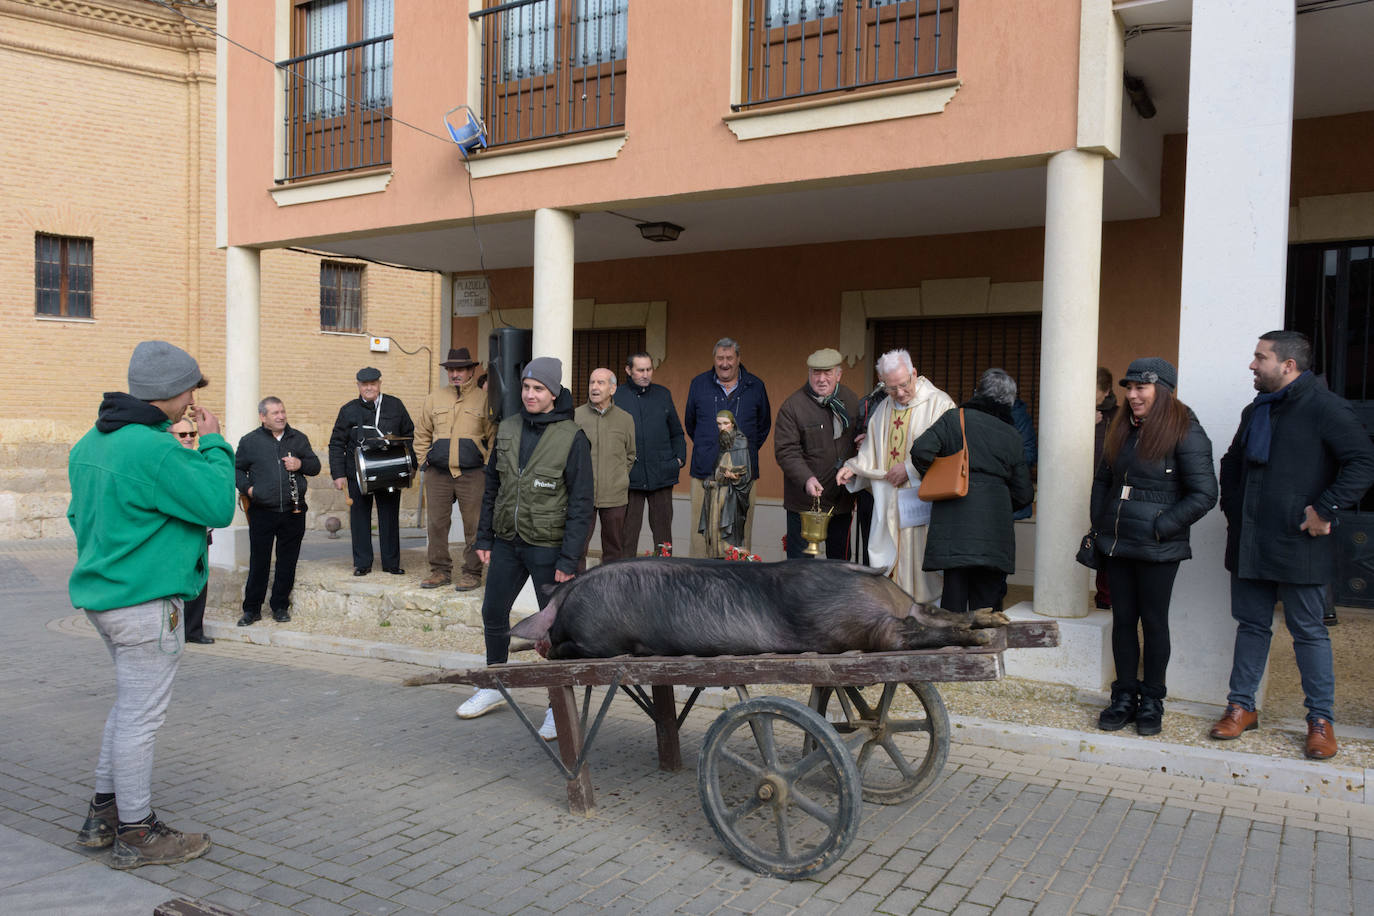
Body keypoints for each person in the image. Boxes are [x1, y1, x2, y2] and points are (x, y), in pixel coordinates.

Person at [68, 340, 235, 868]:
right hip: (145, 602)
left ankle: (102, 814)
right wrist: (214, 442)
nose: (193, 400)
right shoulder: (155, 448)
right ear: (171, 391)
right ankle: (138, 832)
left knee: (128, 709)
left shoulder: (89, 443)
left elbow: (78, 518)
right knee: (141, 719)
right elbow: (218, 505)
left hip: (105, 597)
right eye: (190, 390)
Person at [1210, 331, 1374, 759]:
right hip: (1250, 540)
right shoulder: (1256, 409)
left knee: (1309, 632)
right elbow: (1232, 462)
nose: (1252, 364)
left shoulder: (1326, 407)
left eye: (1259, 357)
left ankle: (1320, 720)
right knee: (1251, 626)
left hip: (1300, 542)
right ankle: (1241, 707)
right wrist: (1233, 508)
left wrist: (1325, 509)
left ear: (1288, 365)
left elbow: (1362, 462)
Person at [458, 357, 594, 742]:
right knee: (493, 611)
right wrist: (484, 537)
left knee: (555, 627)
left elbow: (582, 503)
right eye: (526, 387)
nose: (530, 395)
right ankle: (494, 683)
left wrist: (569, 557)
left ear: (553, 393)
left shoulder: (572, 437)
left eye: (538, 389)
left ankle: (557, 707)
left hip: (549, 546)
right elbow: (492, 487)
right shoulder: (508, 428)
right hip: (507, 541)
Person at [1089, 359, 1217, 736]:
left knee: (1154, 622)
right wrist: (1101, 522)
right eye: (1129, 388)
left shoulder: (1186, 429)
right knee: (1123, 621)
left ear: (1162, 390)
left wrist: (1161, 527)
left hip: (1159, 547)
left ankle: (1152, 700)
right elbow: (1103, 480)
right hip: (1118, 543)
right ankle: (1123, 696)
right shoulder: (1122, 427)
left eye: (1140, 388)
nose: (1132, 395)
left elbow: (1205, 493)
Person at [910, 369, 1034, 616]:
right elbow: (1024, 494)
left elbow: (921, 451)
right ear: (1009, 402)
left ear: (978, 392)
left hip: (953, 529)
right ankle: (983, 642)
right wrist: (998, 500)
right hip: (995, 534)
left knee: (953, 608)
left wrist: (941, 477)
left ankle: (951, 642)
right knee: (986, 611)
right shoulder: (1012, 435)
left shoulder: (954, 419)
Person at [837, 349, 954, 603]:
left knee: (922, 568)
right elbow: (871, 451)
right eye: (891, 388)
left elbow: (950, 453)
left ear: (914, 374)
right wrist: (854, 467)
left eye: (903, 385)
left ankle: (925, 612)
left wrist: (910, 469)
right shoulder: (883, 409)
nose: (899, 393)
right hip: (890, 502)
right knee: (890, 564)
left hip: (923, 503)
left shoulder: (940, 404)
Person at [235, 397, 320, 625]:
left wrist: (300, 464)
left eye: (282, 411)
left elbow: (315, 466)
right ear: (263, 417)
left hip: (294, 511)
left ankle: (280, 606)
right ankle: (252, 609)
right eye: (275, 413)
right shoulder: (249, 441)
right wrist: (249, 489)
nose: (281, 416)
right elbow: (237, 470)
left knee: (287, 562)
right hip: (262, 511)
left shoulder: (298, 438)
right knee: (259, 562)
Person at [413, 348, 493, 591]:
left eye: (460, 369)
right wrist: (423, 460)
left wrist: (488, 466)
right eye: (451, 370)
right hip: (438, 473)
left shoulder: (484, 399)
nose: (455, 374)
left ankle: (472, 572)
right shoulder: (434, 398)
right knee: (436, 524)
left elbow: (493, 436)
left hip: (473, 474)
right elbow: (422, 433)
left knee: (474, 525)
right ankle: (439, 570)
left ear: (471, 371)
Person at [684, 338, 771, 557]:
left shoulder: (755, 386)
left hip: (742, 476)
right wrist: (711, 448)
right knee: (702, 536)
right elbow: (691, 424)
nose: (724, 363)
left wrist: (740, 453)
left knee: (739, 535)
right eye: (720, 358)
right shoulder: (698, 384)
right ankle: (699, 577)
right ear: (714, 359)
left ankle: (737, 577)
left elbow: (763, 426)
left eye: (729, 358)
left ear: (738, 359)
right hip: (705, 472)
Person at [773, 347, 860, 559]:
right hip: (805, 504)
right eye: (816, 373)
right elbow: (786, 451)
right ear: (809, 374)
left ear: (838, 374)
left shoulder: (851, 400)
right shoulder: (793, 406)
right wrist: (807, 478)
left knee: (840, 567)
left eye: (827, 372)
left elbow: (860, 438)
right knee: (800, 568)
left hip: (841, 501)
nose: (821, 379)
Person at [328, 367, 414, 576]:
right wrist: (338, 474)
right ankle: (362, 563)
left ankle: (391, 563)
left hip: (389, 470)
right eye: (364, 384)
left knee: (389, 517)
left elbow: (410, 434)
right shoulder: (348, 410)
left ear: (379, 384)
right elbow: (336, 443)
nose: (369, 388)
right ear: (358, 386)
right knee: (359, 518)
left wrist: (410, 465)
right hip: (356, 472)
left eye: (373, 384)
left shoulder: (395, 405)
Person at [614, 352, 686, 557]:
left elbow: (677, 432)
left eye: (649, 369)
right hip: (630, 477)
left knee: (664, 537)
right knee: (627, 535)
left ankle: (664, 573)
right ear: (628, 370)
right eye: (640, 370)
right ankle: (625, 573)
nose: (645, 375)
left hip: (661, 473)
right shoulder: (617, 396)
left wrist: (678, 460)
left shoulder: (663, 394)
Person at [575, 368, 637, 567]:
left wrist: (619, 477)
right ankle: (575, 584)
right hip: (583, 495)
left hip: (615, 495)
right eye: (592, 382)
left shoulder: (625, 419)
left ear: (612, 389)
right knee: (576, 548)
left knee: (614, 550)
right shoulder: (575, 416)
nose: (594, 387)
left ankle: (611, 585)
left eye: (600, 383)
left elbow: (630, 455)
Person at [168, 418, 214, 645]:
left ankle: (194, 630)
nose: (188, 438)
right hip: (177, 533)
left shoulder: (200, 460)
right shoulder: (168, 462)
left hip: (201, 530)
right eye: (182, 434)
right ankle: (173, 629)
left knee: (199, 580)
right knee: (175, 583)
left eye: (192, 434)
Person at [698, 410, 754, 556]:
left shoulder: (741, 444)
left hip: (732, 498)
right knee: (715, 535)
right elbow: (717, 468)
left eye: (725, 423)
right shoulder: (723, 442)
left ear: (733, 424)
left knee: (729, 537)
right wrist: (711, 479)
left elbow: (746, 476)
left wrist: (735, 477)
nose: (722, 427)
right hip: (717, 496)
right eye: (719, 424)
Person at [1093, 366, 1119, 610]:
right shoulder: (1072, 414)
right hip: (1074, 488)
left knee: (1107, 547)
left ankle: (1105, 599)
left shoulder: (1119, 416)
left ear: (1106, 391)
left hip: (1108, 491)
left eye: (1093, 390)